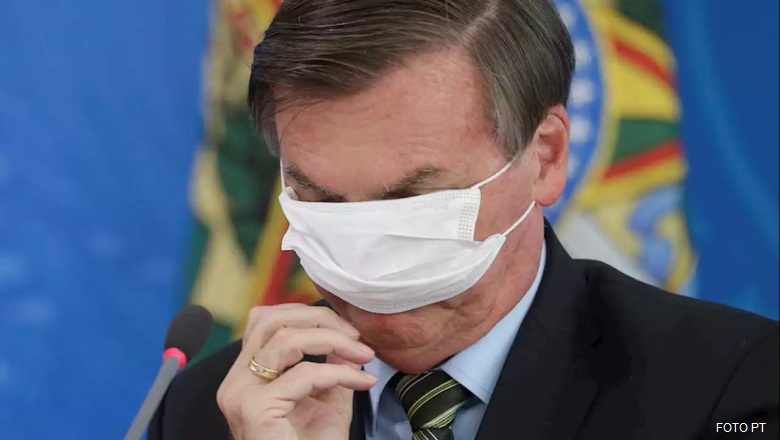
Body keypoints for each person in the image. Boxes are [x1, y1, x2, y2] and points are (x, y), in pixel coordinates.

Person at [149, 0, 779, 439]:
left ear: (545, 156)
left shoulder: (732, 388)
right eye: (325, 201)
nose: (367, 253)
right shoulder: (205, 413)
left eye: (412, 199)